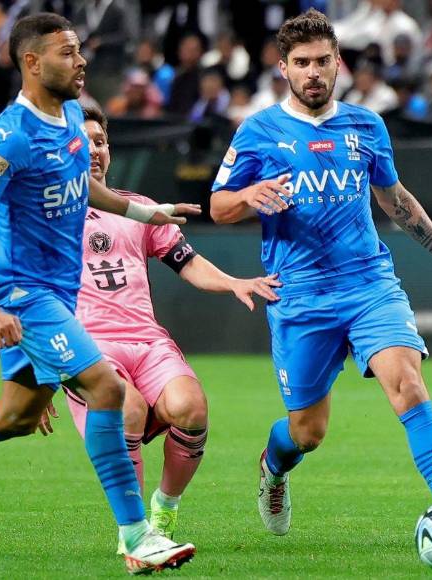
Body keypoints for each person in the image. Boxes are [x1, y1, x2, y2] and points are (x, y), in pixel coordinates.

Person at [0, 13, 201, 575]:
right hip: (22, 294)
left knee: (12, 416)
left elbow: (89, 192)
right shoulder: (9, 136)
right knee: (107, 389)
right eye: (67, 52)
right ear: (31, 62)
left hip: (53, 293)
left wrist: (146, 211)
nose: (81, 61)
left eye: (80, 51)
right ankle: (138, 536)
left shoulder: (68, 124)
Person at [209, 9, 432, 536]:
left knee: (407, 384)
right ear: (283, 68)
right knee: (307, 432)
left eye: (322, 61)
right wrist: (247, 196)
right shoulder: (258, 131)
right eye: (302, 63)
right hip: (298, 295)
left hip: (369, 286)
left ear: (338, 62)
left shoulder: (367, 125)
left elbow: (394, 198)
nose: (313, 72)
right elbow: (217, 207)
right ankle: (273, 469)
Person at [54, 104, 281, 544]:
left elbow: (187, 262)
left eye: (101, 142)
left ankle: (165, 510)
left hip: (146, 340)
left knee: (192, 409)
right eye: (84, 142)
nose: (95, 151)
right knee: (128, 411)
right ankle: (134, 532)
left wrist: (232, 281)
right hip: (88, 346)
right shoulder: (48, 213)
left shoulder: (137, 209)